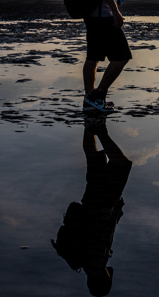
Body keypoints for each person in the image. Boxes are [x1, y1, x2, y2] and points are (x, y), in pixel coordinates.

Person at [52, 120, 132, 296]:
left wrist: (115, 213)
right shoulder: (84, 263)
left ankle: (99, 129)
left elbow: (104, 233)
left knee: (122, 165)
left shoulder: (97, 262)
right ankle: (90, 114)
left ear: (105, 280)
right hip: (89, 203)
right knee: (93, 157)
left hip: (103, 204)